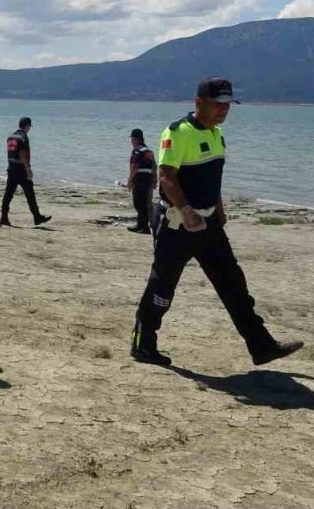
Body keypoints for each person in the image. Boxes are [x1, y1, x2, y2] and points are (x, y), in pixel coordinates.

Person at [130, 77, 303, 367]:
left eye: (227, 105)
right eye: (217, 104)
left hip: (209, 225)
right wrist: (186, 210)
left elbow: (213, 180)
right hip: (178, 224)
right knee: (162, 287)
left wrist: (219, 211)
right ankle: (143, 343)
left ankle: (261, 346)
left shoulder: (217, 134)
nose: (223, 110)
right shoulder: (177, 132)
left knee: (234, 284)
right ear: (199, 103)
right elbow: (166, 177)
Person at [0, 117, 51, 227]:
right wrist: (28, 168)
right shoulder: (23, 137)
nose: (29, 129)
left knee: (8, 194)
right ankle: (37, 217)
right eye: (29, 127)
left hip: (11, 167)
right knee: (30, 194)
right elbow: (22, 153)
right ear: (27, 126)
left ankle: (3, 217)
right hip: (21, 169)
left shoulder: (11, 136)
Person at [126, 128, 156, 233]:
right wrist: (154, 180)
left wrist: (130, 180)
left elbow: (135, 166)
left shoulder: (137, 150)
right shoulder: (148, 151)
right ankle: (143, 225)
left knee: (138, 203)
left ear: (136, 139)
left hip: (139, 179)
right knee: (144, 203)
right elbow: (154, 167)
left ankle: (142, 226)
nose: (132, 141)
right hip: (147, 179)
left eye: (132, 139)